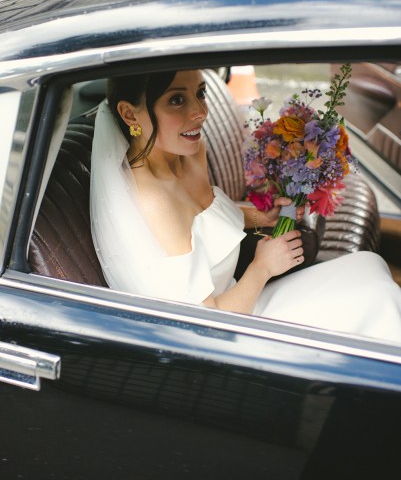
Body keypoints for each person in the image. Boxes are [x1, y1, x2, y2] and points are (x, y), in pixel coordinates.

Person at [90, 69, 401, 343]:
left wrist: (262, 214)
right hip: (229, 328)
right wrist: (262, 267)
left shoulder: (188, 152)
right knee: (377, 301)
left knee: (368, 265)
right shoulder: (154, 201)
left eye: (200, 94)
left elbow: (205, 215)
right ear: (130, 115)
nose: (200, 112)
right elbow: (202, 325)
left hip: (243, 298)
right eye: (176, 100)